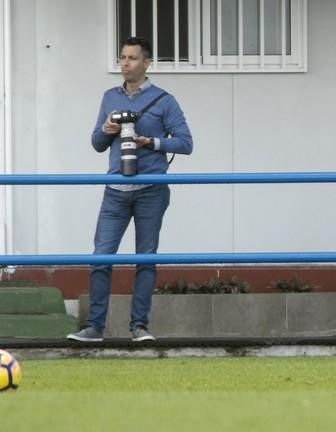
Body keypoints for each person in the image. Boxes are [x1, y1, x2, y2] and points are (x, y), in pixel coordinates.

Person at [67, 37, 193, 342]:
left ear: (147, 63)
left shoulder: (165, 100)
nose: (125, 63)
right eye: (122, 57)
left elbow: (186, 143)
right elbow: (97, 144)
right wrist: (107, 130)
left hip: (152, 188)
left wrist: (151, 142)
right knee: (101, 257)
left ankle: (140, 327)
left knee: (145, 258)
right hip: (115, 188)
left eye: (133, 58)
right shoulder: (110, 97)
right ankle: (95, 327)